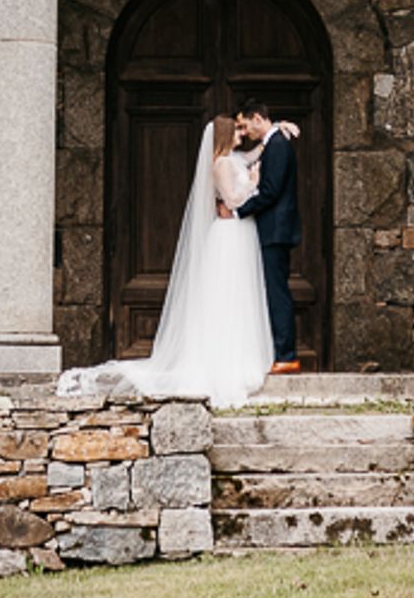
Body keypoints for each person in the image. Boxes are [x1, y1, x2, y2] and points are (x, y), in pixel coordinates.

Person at [51, 120, 274, 403]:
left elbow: (252, 156)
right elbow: (231, 200)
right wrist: (253, 184)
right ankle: (224, 363)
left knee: (239, 294)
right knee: (225, 294)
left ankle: (240, 355)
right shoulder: (221, 164)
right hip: (229, 235)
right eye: (238, 130)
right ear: (225, 136)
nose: (243, 134)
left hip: (239, 233)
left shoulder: (234, 160)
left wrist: (275, 130)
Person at [233, 107, 304, 375]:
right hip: (275, 229)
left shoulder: (277, 145)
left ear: (258, 118)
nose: (245, 132)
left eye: (245, 125)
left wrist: (239, 211)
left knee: (277, 292)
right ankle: (280, 352)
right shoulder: (272, 143)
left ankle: (286, 355)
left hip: (275, 230)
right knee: (274, 290)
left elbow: (271, 191)